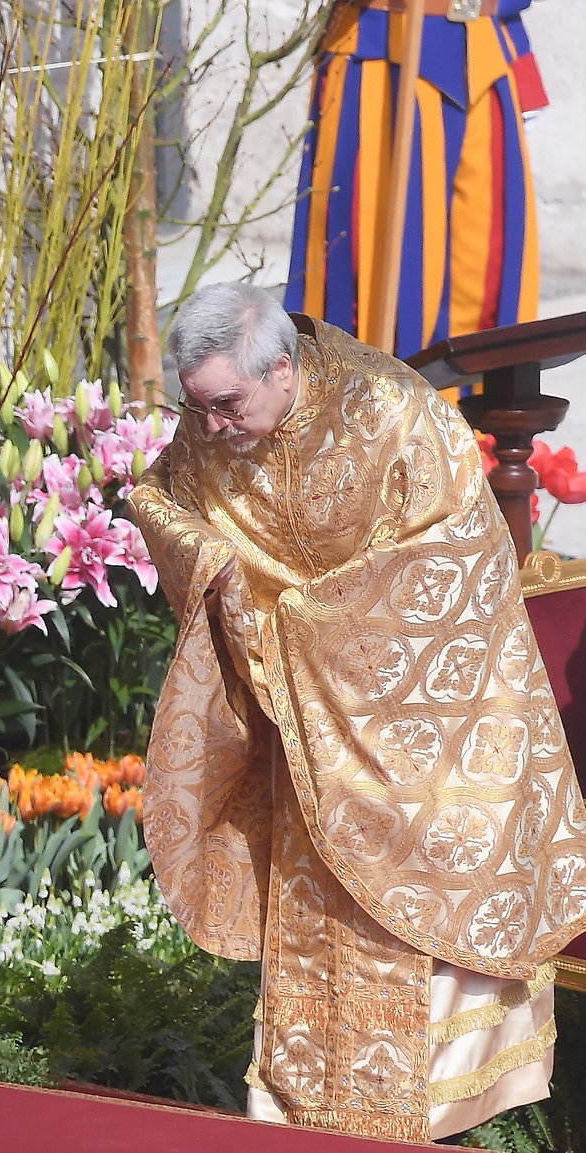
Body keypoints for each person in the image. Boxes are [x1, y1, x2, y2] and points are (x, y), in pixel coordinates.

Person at [127, 282, 586, 1141]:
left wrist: (304, 623)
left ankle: (443, 1118)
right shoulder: (210, 425)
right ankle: (303, 1116)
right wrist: (214, 563)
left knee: (415, 916)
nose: (212, 428)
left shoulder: (393, 410)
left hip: (422, 735)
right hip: (304, 728)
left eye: (227, 404)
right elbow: (158, 499)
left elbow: (456, 555)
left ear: (284, 366)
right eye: (198, 407)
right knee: (316, 930)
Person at [284, 0, 547, 358]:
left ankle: (467, 407)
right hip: (381, 61)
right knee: (376, 280)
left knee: (487, 273)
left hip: (487, 54)